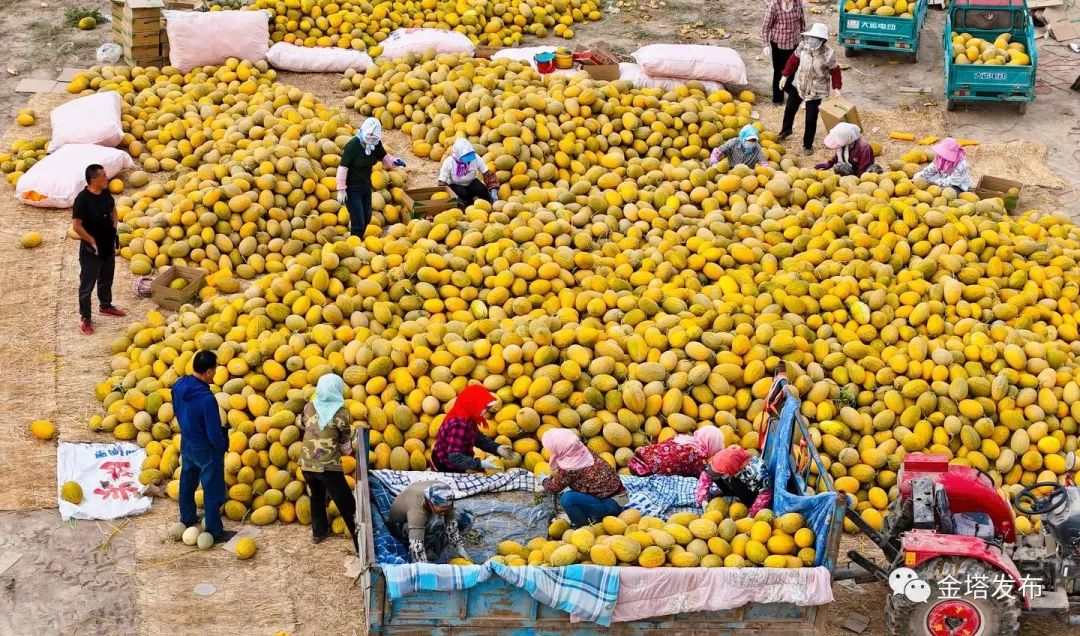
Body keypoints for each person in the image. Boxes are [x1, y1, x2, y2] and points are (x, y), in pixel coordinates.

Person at [175, 350, 235, 544]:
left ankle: (188, 517)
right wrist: (221, 446)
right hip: (206, 448)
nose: (216, 374)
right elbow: (213, 431)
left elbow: (176, 409)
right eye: (215, 370)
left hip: (187, 441)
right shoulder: (207, 399)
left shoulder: (179, 385)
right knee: (213, 489)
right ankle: (215, 531)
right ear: (209, 372)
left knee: (187, 481)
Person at [299, 373, 357, 549]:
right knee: (346, 502)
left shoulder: (308, 407)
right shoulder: (341, 413)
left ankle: (319, 532)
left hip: (306, 465)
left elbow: (302, 423)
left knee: (316, 496)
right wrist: (351, 452)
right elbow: (344, 443)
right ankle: (359, 541)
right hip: (328, 467)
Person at [72, 163, 126, 335]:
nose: (107, 178)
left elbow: (113, 211)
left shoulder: (105, 193)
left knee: (106, 277)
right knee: (87, 285)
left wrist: (113, 229)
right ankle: (85, 318)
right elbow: (76, 226)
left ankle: (106, 305)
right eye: (103, 176)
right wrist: (92, 241)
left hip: (107, 244)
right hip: (91, 249)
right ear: (93, 180)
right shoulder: (82, 200)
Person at [539, 429, 627, 528]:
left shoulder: (569, 468)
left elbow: (553, 488)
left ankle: (582, 526)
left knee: (567, 499)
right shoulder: (581, 449)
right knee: (571, 491)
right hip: (620, 495)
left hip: (611, 505)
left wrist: (543, 480)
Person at [778, 23, 842, 155]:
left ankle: (808, 144)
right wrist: (785, 75)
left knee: (811, 118)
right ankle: (786, 130)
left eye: (815, 38)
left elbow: (835, 71)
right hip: (799, 84)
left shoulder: (828, 54)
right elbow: (793, 60)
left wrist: (836, 88)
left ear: (822, 40)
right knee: (790, 109)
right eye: (811, 37)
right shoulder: (803, 46)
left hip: (816, 91)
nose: (812, 40)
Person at [335, 117, 405, 238]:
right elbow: (342, 168)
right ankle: (354, 244)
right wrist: (341, 189)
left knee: (367, 217)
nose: (371, 140)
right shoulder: (352, 146)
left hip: (366, 186)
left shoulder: (375, 144)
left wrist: (394, 162)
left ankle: (358, 240)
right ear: (363, 131)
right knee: (358, 221)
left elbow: (384, 157)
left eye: (374, 138)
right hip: (352, 189)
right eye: (369, 137)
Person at [431, 385, 518, 473]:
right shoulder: (459, 425)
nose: (486, 410)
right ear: (472, 405)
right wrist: (480, 464)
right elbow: (454, 457)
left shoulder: (467, 416)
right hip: (445, 466)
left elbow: (477, 438)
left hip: (454, 461)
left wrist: (497, 448)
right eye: (483, 407)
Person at [388, 481, 471, 564]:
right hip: (400, 524)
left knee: (456, 516)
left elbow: (451, 523)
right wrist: (424, 567)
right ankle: (425, 546)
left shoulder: (444, 492)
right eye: (441, 510)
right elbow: (416, 546)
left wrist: (459, 547)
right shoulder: (417, 510)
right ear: (430, 503)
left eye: (447, 509)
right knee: (434, 525)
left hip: (415, 505)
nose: (444, 513)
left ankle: (429, 541)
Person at [695, 446, 773, 515]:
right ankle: (727, 491)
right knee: (716, 476)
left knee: (736, 485)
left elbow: (765, 494)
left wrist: (752, 514)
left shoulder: (756, 474)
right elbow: (706, 475)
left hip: (751, 491)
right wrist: (702, 499)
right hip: (732, 475)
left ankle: (745, 502)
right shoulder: (721, 459)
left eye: (722, 473)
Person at [628, 426, 726, 477]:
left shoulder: (682, 437)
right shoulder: (699, 457)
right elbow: (704, 477)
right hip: (646, 473)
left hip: (637, 460)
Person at [761, 0, 807, 103]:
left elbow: (802, 23)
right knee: (778, 72)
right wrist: (766, 45)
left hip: (795, 43)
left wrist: (804, 41)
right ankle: (778, 99)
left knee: (791, 72)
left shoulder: (798, 3)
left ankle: (794, 96)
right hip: (778, 44)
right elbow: (765, 27)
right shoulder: (774, 5)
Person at [437, 138, 499, 207]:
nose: (468, 159)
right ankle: (466, 204)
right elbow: (442, 183)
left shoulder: (475, 158)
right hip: (456, 184)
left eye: (469, 155)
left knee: (482, 189)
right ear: (457, 154)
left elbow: (487, 174)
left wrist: (494, 189)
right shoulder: (449, 162)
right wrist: (451, 197)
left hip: (471, 182)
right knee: (463, 194)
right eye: (465, 156)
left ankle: (487, 205)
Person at [815, 123, 882, 176]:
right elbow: (837, 157)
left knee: (872, 171)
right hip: (852, 168)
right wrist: (828, 164)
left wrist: (857, 181)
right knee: (838, 166)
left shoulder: (863, 148)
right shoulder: (845, 144)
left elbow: (863, 168)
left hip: (863, 171)